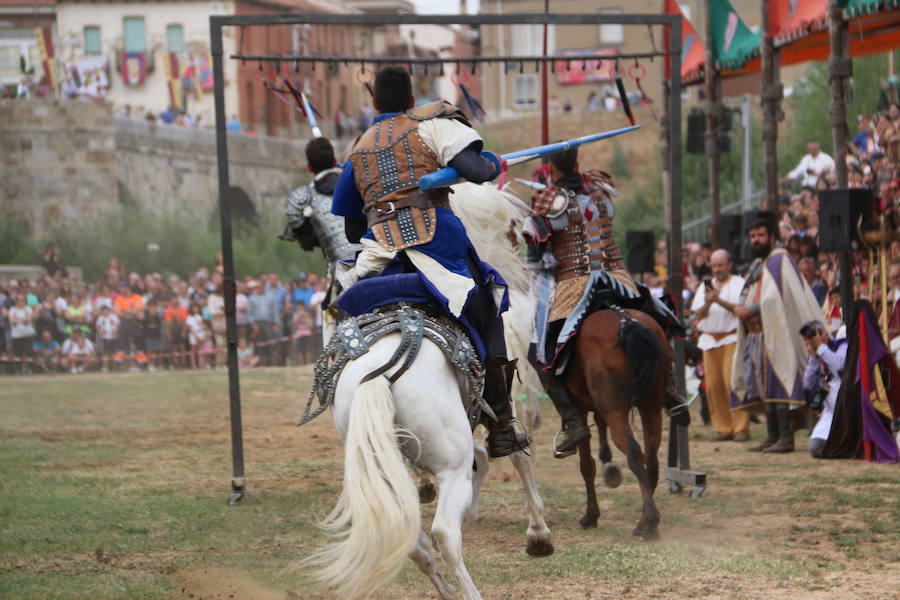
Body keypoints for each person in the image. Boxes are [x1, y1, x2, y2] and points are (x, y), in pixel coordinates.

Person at [331, 66, 527, 458]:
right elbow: (475, 172)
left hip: (381, 257)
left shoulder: (359, 149)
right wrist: (492, 165)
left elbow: (353, 229)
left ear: (374, 103)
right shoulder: (432, 124)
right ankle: (502, 423)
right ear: (410, 100)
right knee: (488, 308)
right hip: (440, 250)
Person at [521, 147, 687, 457]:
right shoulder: (599, 189)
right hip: (617, 279)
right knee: (660, 317)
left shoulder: (547, 201)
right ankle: (669, 390)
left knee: (539, 351)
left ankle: (573, 421)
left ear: (551, 168)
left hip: (574, 285)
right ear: (578, 162)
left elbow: (537, 257)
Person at [730, 215, 823, 454]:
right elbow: (751, 292)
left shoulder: (779, 260)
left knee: (780, 381)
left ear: (772, 237)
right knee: (765, 385)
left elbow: (774, 298)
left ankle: (785, 437)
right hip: (759, 334)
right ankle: (772, 435)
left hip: (778, 333)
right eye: (752, 236)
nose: (756, 240)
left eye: (761, 235)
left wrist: (748, 309)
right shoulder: (759, 265)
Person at [690, 250, 749, 442]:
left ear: (729, 265)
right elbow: (698, 314)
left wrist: (718, 300)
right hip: (709, 340)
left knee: (732, 383)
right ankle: (723, 427)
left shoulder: (739, 283)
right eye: (714, 266)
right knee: (713, 386)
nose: (716, 270)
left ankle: (741, 427)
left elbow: (741, 310)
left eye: (720, 265)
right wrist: (708, 303)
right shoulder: (704, 287)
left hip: (731, 338)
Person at [800, 321, 848, 458]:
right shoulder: (818, 356)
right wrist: (813, 358)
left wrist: (821, 347)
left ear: (823, 332)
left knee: (830, 447)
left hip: (847, 410)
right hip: (829, 412)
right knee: (816, 449)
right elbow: (808, 384)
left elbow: (840, 364)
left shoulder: (842, 345)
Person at [247, 280, 278, 366]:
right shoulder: (252, 298)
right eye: (256, 287)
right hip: (257, 324)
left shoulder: (271, 297)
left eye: (259, 287)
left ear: (263, 287)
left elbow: (275, 311)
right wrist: (253, 324)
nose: (257, 289)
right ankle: (263, 363)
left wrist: (276, 323)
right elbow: (249, 312)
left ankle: (272, 363)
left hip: (268, 324)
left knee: (271, 343)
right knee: (260, 344)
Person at [9, 294, 37, 373]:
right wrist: (24, 319)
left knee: (29, 352)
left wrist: (18, 320)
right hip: (16, 335)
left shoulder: (28, 309)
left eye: (23, 300)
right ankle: (18, 369)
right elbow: (12, 320)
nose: (21, 302)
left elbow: (29, 318)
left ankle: (30, 369)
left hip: (28, 334)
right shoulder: (12, 309)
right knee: (17, 353)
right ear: (16, 301)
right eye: (19, 300)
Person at [95, 304, 120, 372]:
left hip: (114, 338)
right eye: (104, 311)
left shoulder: (114, 317)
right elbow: (97, 325)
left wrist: (116, 330)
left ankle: (114, 367)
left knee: (113, 352)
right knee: (105, 353)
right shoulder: (100, 318)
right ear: (102, 312)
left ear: (109, 311)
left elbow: (118, 325)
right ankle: (105, 367)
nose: (105, 312)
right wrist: (100, 331)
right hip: (105, 337)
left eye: (107, 311)